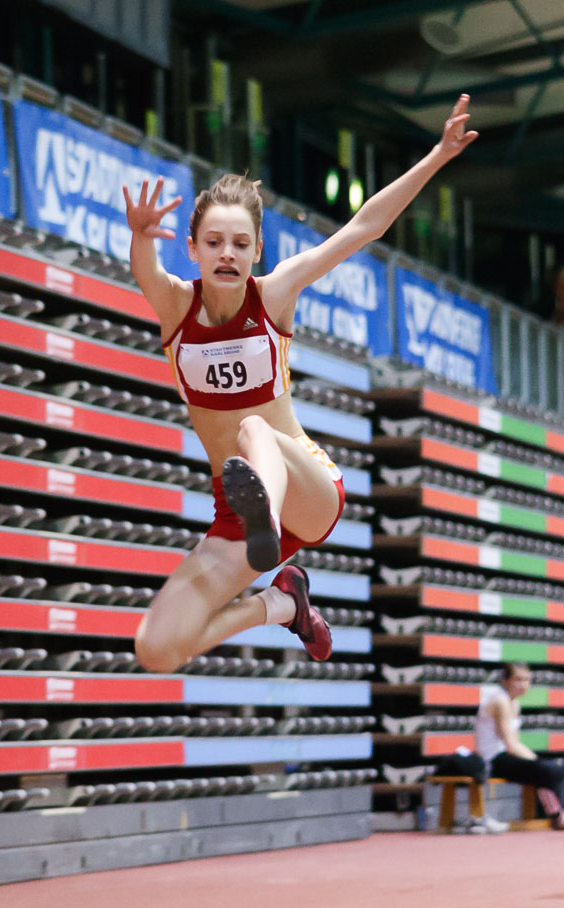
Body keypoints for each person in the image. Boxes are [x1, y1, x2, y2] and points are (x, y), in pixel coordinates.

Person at [123, 95, 478, 674]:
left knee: (253, 427)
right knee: (156, 649)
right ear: (192, 250)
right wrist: (140, 235)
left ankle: (265, 508)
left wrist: (437, 156)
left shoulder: (275, 294)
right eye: (214, 243)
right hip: (236, 513)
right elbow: (145, 270)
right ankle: (281, 604)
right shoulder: (176, 306)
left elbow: (364, 227)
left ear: (258, 250)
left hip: (306, 487)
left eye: (241, 244)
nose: (228, 254)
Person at [476, 662, 564, 830]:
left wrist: (537, 761)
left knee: (551, 768)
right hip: (491, 761)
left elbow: (516, 743)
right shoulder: (500, 701)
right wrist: (538, 761)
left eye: (526, 680)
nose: (523, 684)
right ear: (505, 680)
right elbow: (511, 744)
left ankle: (556, 813)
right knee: (549, 770)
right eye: (518, 679)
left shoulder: (514, 703)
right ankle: (557, 815)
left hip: (505, 757)